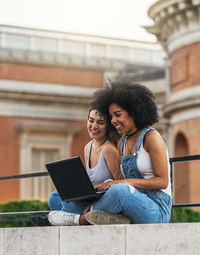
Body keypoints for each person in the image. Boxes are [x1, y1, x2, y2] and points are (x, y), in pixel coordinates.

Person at [42, 80, 172, 226]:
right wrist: (106, 185)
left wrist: (121, 183)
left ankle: (78, 218)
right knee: (57, 197)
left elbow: (162, 181)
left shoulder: (151, 137)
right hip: (131, 202)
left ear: (133, 113)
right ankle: (92, 215)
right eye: (111, 116)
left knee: (119, 192)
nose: (113, 120)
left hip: (156, 208)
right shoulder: (124, 141)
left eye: (117, 115)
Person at [30, 106, 129, 226]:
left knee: (69, 204)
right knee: (54, 197)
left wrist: (104, 186)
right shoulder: (88, 147)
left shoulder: (109, 149)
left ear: (109, 125)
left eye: (100, 122)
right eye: (91, 120)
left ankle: (61, 219)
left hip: (104, 198)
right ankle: (82, 218)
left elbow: (121, 183)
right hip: (90, 198)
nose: (94, 126)